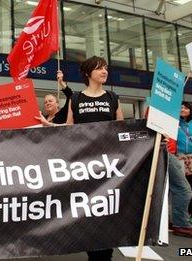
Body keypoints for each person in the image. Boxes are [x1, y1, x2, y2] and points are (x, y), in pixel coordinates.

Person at [59, 56, 123, 261]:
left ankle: (105, 255)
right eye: (99, 68)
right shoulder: (76, 99)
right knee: (89, 215)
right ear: (88, 73)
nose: (104, 71)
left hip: (109, 169)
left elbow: (123, 132)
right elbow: (69, 133)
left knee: (107, 214)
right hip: (84, 168)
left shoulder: (113, 98)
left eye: (105, 67)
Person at [176, 102, 192, 227]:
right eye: (181, 107)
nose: (183, 109)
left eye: (186, 107)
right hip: (179, 157)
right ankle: (189, 213)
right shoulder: (175, 123)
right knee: (184, 188)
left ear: (191, 110)